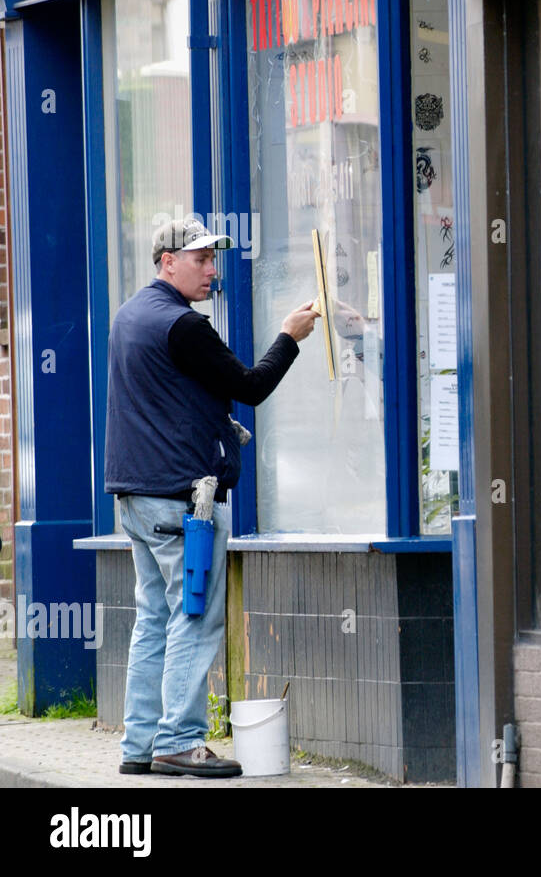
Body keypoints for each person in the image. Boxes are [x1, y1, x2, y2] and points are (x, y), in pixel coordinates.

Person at [106, 217, 319, 777]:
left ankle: (139, 744)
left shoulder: (131, 316)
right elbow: (249, 387)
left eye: (212, 257)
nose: (211, 268)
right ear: (166, 261)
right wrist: (289, 338)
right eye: (199, 258)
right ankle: (179, 740)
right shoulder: (182, 326)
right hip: (183, 504)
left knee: (154, 619)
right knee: (193, 617)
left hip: (136, 499)